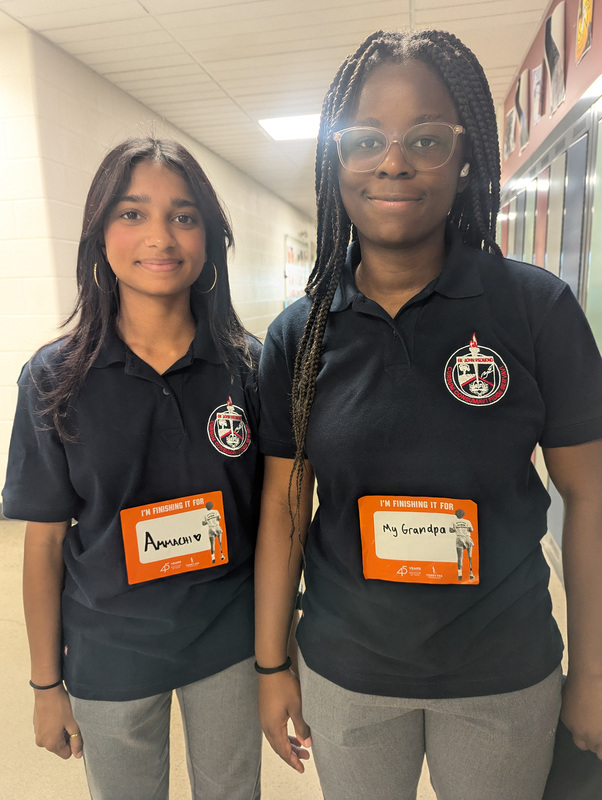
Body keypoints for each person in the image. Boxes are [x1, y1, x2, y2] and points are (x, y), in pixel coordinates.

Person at [254, 29, 602, 800]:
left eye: (426, 138)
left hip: (502, 672)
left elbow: (592, 496)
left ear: (467, 154)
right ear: (334, 160)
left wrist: (594, 672)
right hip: (348, 672)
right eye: (366, 139)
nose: (393, 160)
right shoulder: (300, 334)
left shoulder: (535, 309)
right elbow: (285, 510)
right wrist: (271, 664)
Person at [2, 137, 263, 800]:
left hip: (226, 641)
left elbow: (277, 522)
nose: (160, 236)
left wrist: (280, 652)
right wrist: (43, 686)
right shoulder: (54, 379)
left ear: (209, 237)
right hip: (109, 650)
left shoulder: (249, 368)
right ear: (99, 235)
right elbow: (46, 542)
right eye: (131, 213)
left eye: (183, 215)